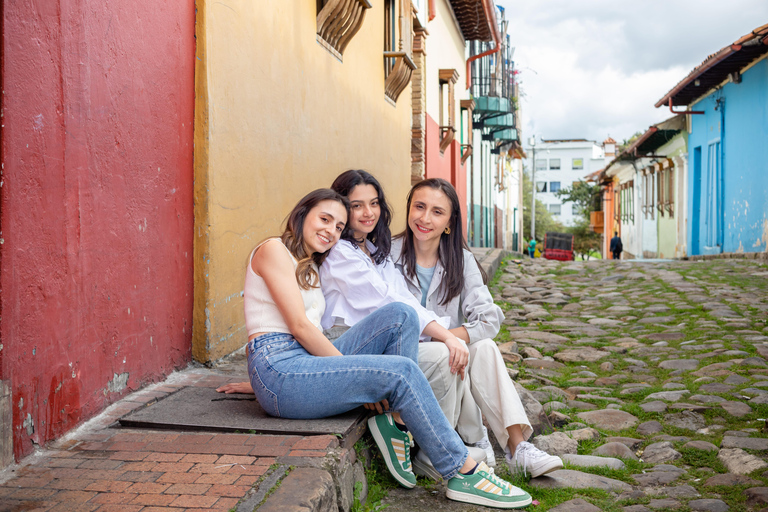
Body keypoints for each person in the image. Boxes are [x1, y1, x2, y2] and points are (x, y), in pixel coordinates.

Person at [217, 188, 531, 509]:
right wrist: (350, 376)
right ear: (301, 215)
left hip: (295, 366)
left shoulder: (307, 264)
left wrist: (266, 382)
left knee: (402, 314)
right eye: (324, 219)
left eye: (339, 227)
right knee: (402, 371)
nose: (331, 231)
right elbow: (296, 328)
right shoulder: (273, 249)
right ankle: (462, 469)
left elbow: (303, 332)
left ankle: (394, 422)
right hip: (279, 367)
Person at [391, 178, 563, 480]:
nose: (425, 218)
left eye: (437, 211)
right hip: (400, 354)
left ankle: (518, 447)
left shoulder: (460, 259)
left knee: (484, 347)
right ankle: (465, 440)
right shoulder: (387, 255)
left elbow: (489, 319)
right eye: (419, 207)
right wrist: (444, 339)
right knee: (451, 352)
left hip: (445, 357)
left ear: (449, 222)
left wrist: (448, 339)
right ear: (408, 209)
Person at [318, 171, 491, 469]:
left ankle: (447, 444)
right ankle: (441, 447)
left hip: (381, 345)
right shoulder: (340, 253)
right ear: (341, 206)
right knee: (441, 353)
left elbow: (404, 298)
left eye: (374, 203)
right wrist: (447, 336)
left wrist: (447, 336)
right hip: (341, 351)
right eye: (357, 205)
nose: (368, 212)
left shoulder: (373, 251)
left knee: (463, 349)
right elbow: (389, 303)